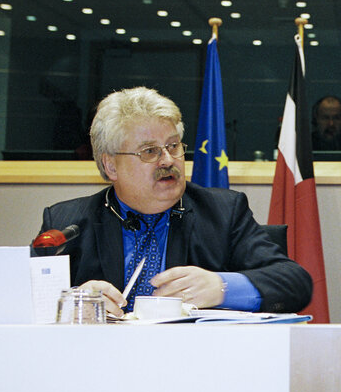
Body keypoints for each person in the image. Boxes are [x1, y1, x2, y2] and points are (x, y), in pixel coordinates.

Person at [38, 87, 312, 316]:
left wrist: (221, 287)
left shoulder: (223, 213)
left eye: (173, 146)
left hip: (198, 367)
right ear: (111, 166)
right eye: (149, 151)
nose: (168, 160)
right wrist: (68, 304)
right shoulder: (67, 224)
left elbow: (295, 283)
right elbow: (21, 297)